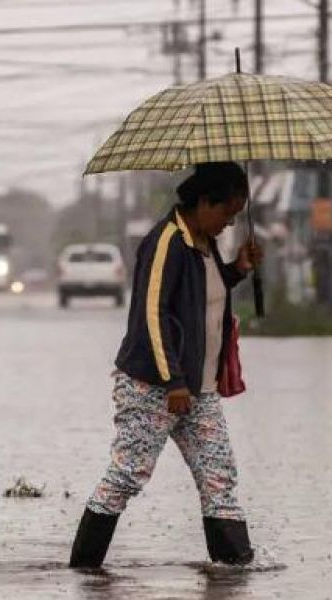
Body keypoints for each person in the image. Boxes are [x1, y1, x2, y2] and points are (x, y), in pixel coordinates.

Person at [69, 161, 263, 568]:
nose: (230, 223)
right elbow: (151, 314)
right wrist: (173, 382)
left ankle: (234, 571)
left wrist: (237, 271)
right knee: (127, 476)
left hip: (199, 389)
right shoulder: (166, 242)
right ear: (204, 202)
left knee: (219, 478)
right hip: (152, 386)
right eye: (227, 211)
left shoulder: (205, 244)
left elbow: (202, 297)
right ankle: (84, 572)